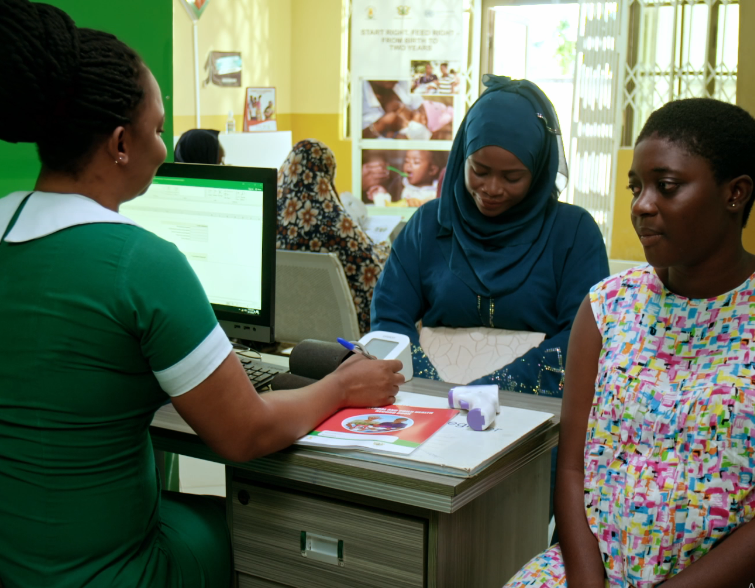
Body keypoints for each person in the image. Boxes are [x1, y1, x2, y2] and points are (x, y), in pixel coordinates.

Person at [0, 3, 404, 587]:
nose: (164, 147)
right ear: (120, 142)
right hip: (114, 574)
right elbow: (245, 432)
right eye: (158, 128)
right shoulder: (141, 263)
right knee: (252, 528)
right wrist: (340, 385)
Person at [504, 99, 755, 587]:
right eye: (636, 188)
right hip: (597, 569)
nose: (642, 205)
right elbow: (574, 470)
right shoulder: (607, 308)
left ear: (735, 194)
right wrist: (584, 579)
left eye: (666, 187)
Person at [371, 75, 609, 395]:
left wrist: (497, 386)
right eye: (479, 171)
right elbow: (389, 317)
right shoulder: (429, 224)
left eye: (513, 177)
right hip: (432, 404)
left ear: (538, 171)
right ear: (460, 159)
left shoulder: (574, 233)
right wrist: (431, 384)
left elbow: (585, 335)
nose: (492, 189)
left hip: (537, 413)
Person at [276, 139, 389, 335]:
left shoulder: (266, 217)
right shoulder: (335, 223)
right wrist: (384, 247)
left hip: (280, 330)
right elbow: (370, 268)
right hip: (333, 332)